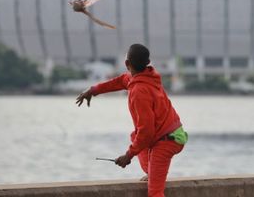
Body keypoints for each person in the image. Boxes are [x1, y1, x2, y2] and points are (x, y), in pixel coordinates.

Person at [76, 43, 187, 197]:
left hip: (167, 139)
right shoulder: (147, 77)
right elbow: (119, 81)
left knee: (155, 192)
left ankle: (154, 175)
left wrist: (128, 156)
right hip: (172, 131)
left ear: (127, 63)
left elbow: (147, 132)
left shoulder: (139, 91)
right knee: (135, 137)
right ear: (147, 63)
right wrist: (93, 90)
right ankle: (153, 173)